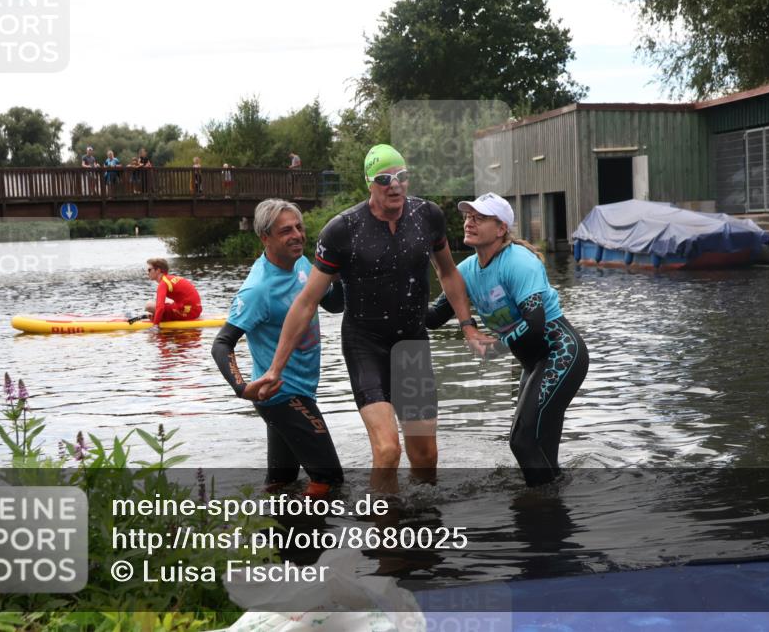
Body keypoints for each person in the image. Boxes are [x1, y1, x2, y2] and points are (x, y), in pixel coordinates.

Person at [245, 144, 491, 481]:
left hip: (411, 346)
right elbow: (306, 302)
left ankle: (423, 513)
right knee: (388, 450)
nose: (395, 185)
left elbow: (447, 273)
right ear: (369, 183)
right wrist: (275, 369)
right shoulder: (342, 229)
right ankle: (381, 513)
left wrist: (468, 326)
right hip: (366, 346)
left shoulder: (427, 216)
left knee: (426, 456)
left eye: (402, 176)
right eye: (384, 179)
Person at [426, 193, 589, 486]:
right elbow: (433, 318)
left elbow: (535, 323)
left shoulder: (519, 261)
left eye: (479, 218)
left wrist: (497, 347)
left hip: (561, 354)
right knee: (537, 446)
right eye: (468, 217)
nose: (469, 222)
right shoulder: (465, 271)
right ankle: (554, 503)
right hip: (533, 364)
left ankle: (542, 506)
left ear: (501, 228)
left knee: (522, 441)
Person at [212, 199, 345, 495]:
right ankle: (313, 523)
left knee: (282, 482)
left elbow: (334, 305)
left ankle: (271, 523)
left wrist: (340, 277)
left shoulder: (301, 263)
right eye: (286, 231)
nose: (297, 235)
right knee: (329, 479)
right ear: (265, 237)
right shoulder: (258, 289)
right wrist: (242, 388)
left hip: (299, 389)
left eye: (299, 227)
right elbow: (222, 344)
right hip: (281, 394)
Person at [144, 258, 202, 325]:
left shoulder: (163, 283)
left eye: (149, 270)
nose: (147, 273)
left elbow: (160, 308)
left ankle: (161, 317)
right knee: (164, 301)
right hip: (196, 310)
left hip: (189, 313)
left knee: (149, 305)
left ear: (158, 270)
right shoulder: (170, 278)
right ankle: (161, 316)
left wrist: (155, 326)